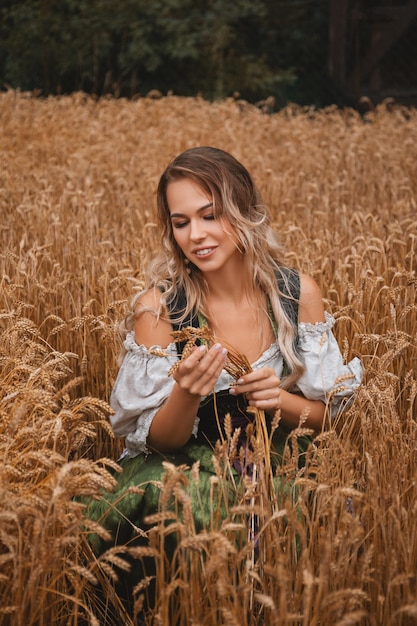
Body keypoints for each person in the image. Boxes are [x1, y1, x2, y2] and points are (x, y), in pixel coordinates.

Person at [87, 146, 363, 617]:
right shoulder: (160, 309)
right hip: (184, 468)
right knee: (181, 509)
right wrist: (187, 395)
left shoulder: (298, 296)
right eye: (180, 222)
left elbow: (333, 420)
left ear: (244, 211)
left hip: (282, 463)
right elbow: (154, 441)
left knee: (314, 511)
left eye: (210, 215)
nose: (196, 235)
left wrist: (281, 402)